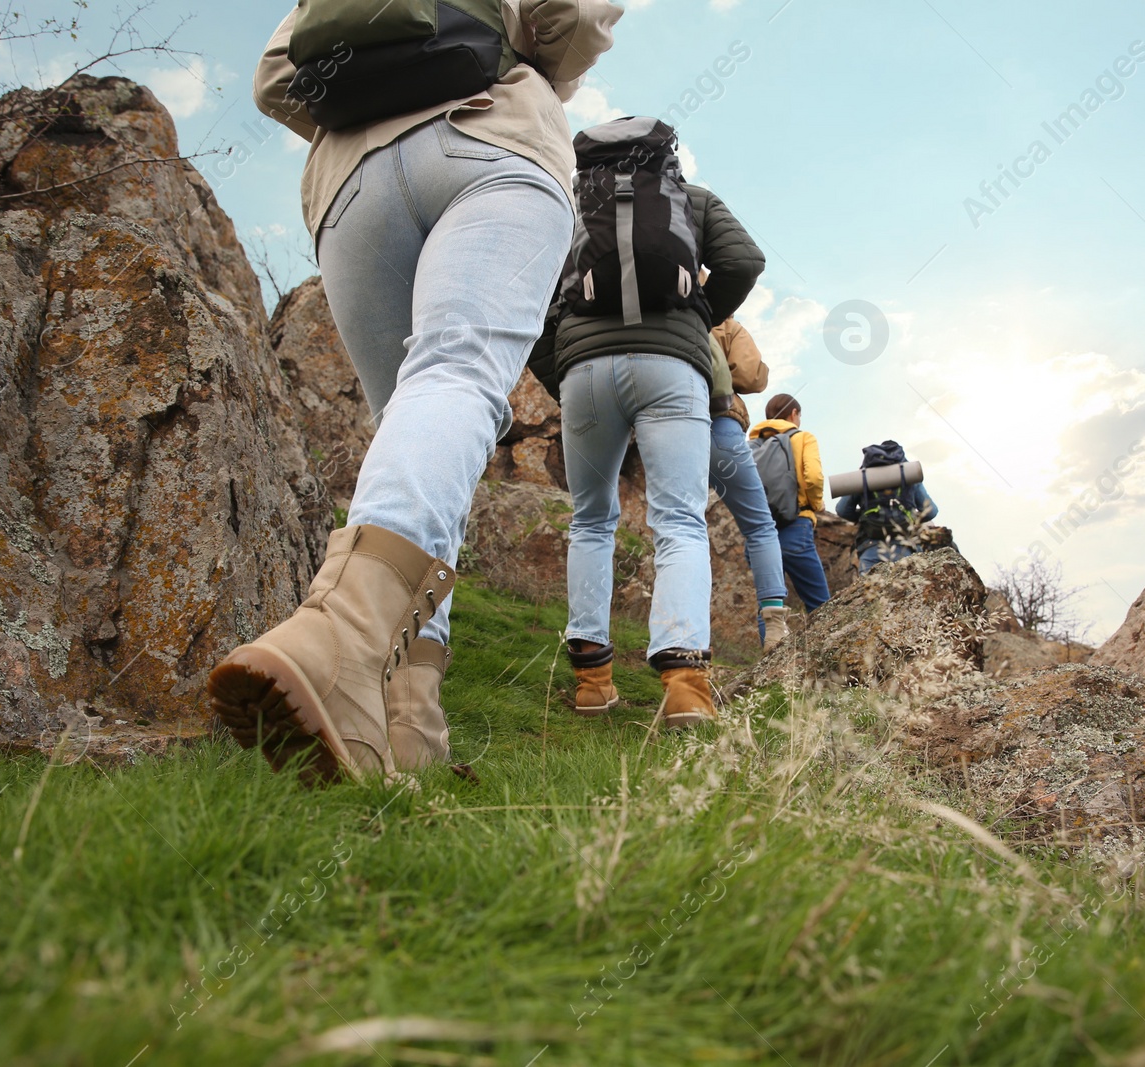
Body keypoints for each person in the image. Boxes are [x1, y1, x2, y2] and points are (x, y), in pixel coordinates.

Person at [207, 1, 622, 787]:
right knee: (457, 377)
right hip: (492, 139)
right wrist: (515, 61)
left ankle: (406, 732)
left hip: (351, 190)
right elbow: (582, 14)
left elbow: (274, 80)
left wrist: (375, 103)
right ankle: (340, 637)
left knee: (418, 427)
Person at [529, 117, 765, 730]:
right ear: (668, 156)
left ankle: (591, 682)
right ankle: (685, 686)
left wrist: (564, 376)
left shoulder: (572, 208)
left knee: (590, 518)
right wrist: (698, 312)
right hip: (672, 369)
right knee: (680, 521)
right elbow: (745, 259)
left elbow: (534, 303)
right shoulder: (692, 199)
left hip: (585, 371)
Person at [707, 318, 791, 651]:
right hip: (719, 422)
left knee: (679, 524)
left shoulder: (638, 288)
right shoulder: (722, 317)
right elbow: (751, 376)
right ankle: (773, 628)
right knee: (759, 527)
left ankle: (682, 645)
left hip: (665, 419)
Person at [750, 395, 830, 613]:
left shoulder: (751, 446)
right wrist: (815, 504)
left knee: (769, 608)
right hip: (795, 527)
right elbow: (813, 477)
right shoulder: (803, 438)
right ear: (794, 413)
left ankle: (772, 647)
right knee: (822, 606)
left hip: (759, 534)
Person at [836, 440, 938, 575]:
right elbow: (931, 511)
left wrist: (864, 516)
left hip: (871, 546)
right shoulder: (907, 474)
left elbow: (842, 510)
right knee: (905, 592)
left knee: (871, 593)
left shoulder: (864, 476)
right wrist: (911, 517)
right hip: (904, 546)